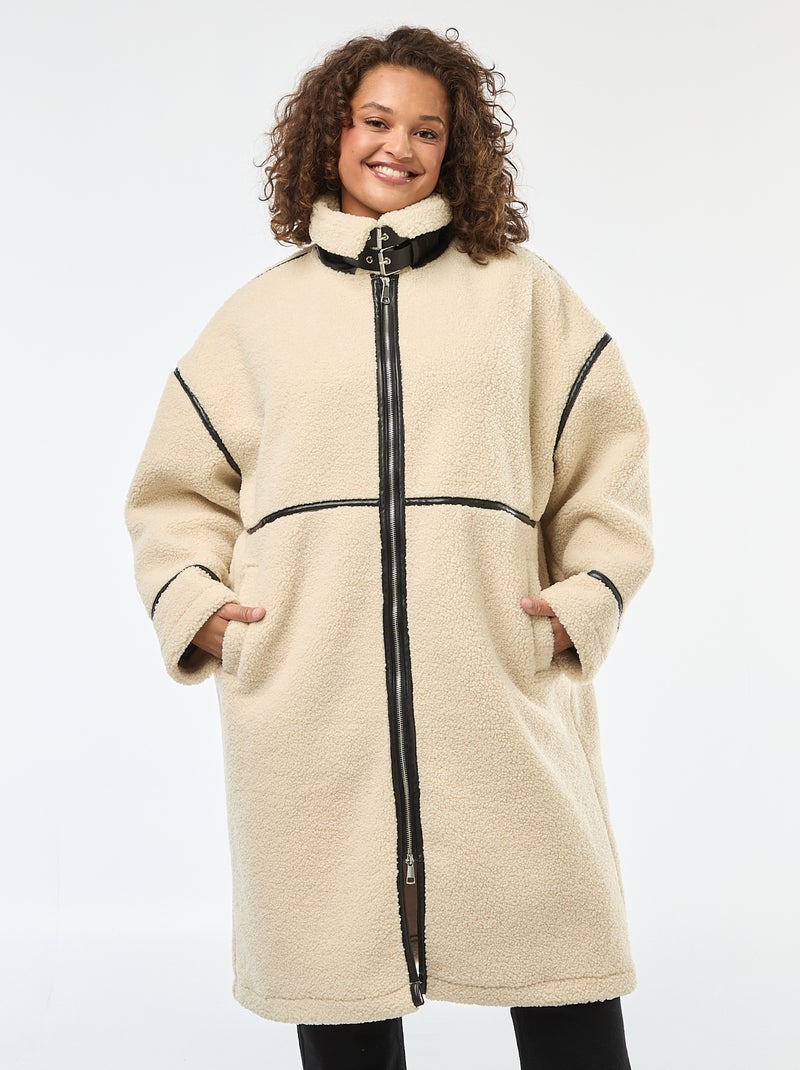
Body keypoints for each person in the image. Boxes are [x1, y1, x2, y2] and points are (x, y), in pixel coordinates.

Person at [125, 24, 654, 1070]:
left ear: (456, 149)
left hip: (498, 686)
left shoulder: (524, 295)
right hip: (310, 702)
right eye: (375, 121)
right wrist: (201, 606)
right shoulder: (257, 318)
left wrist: (582, 600)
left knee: (565, 973)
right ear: (332, 132)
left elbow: (608, 468)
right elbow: (176, 491)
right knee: (339, 976)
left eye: (426, 129)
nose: (397, 147)